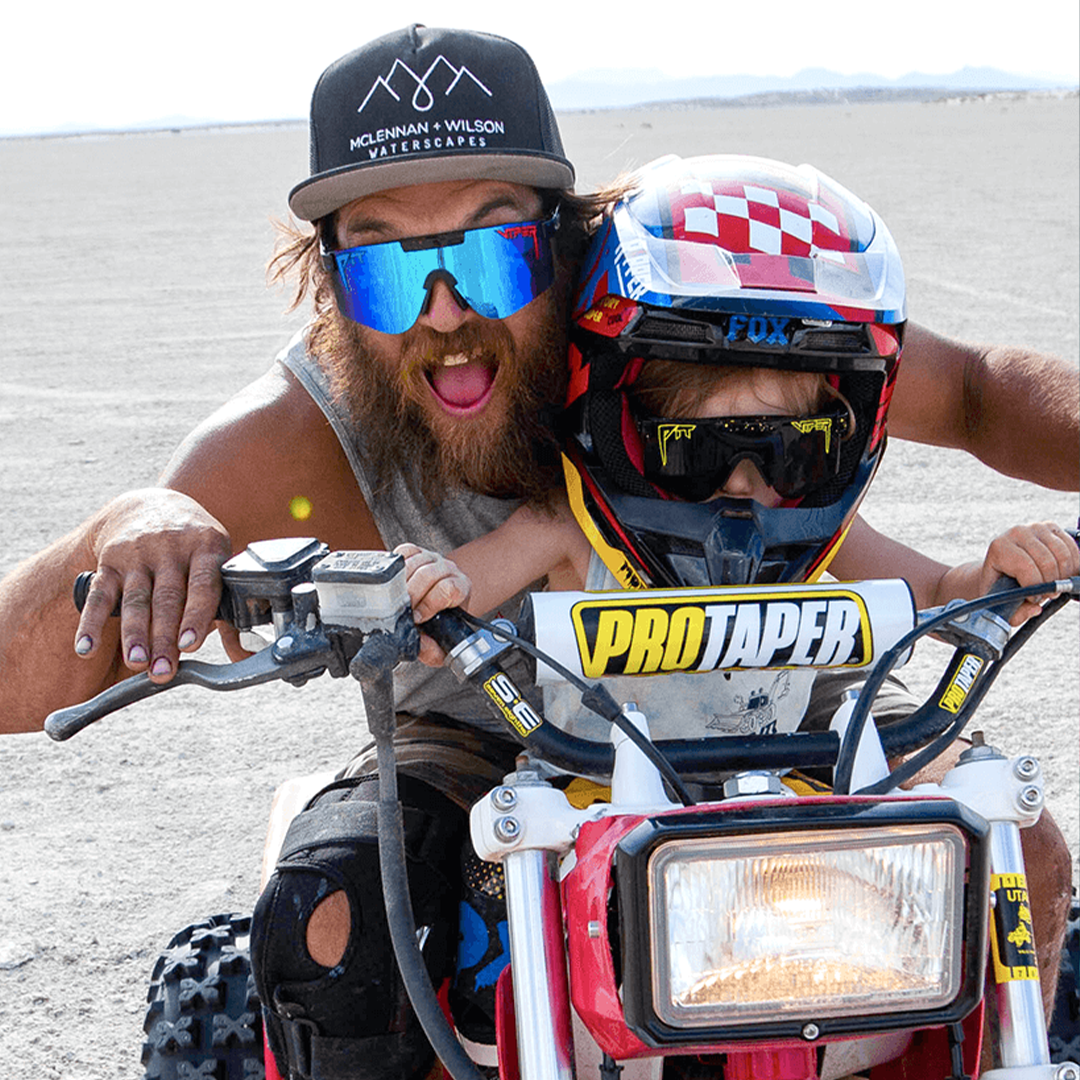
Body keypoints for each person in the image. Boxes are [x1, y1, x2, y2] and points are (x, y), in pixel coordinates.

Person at [0, 24, 1073, 1080]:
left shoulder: (673, 306)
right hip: (487, 736)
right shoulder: (309, 425)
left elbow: (970, 390)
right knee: (330, 928)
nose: (447, 314)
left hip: (771, 710)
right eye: (385, 270)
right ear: (329, 286)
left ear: (568, 241)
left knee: (1014, 849)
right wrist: (135, 522)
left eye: (490, 248)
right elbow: (23, 667)